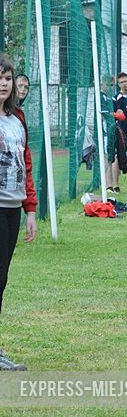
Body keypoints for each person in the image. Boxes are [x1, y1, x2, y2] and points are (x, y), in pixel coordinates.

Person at [0, 55, 37, 370]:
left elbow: (26, 165)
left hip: (13, 207)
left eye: (7, 78)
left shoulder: (18, 118)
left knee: (2, 279)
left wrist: (30, 210)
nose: (3, 83)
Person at [110, 72, 127, 193]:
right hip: (120, 132)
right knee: (117, 158)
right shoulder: (115, 99)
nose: (124, 84)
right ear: (118, 85)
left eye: (125, 81)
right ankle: (116, 185)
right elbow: (111, 115)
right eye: (121, 82)